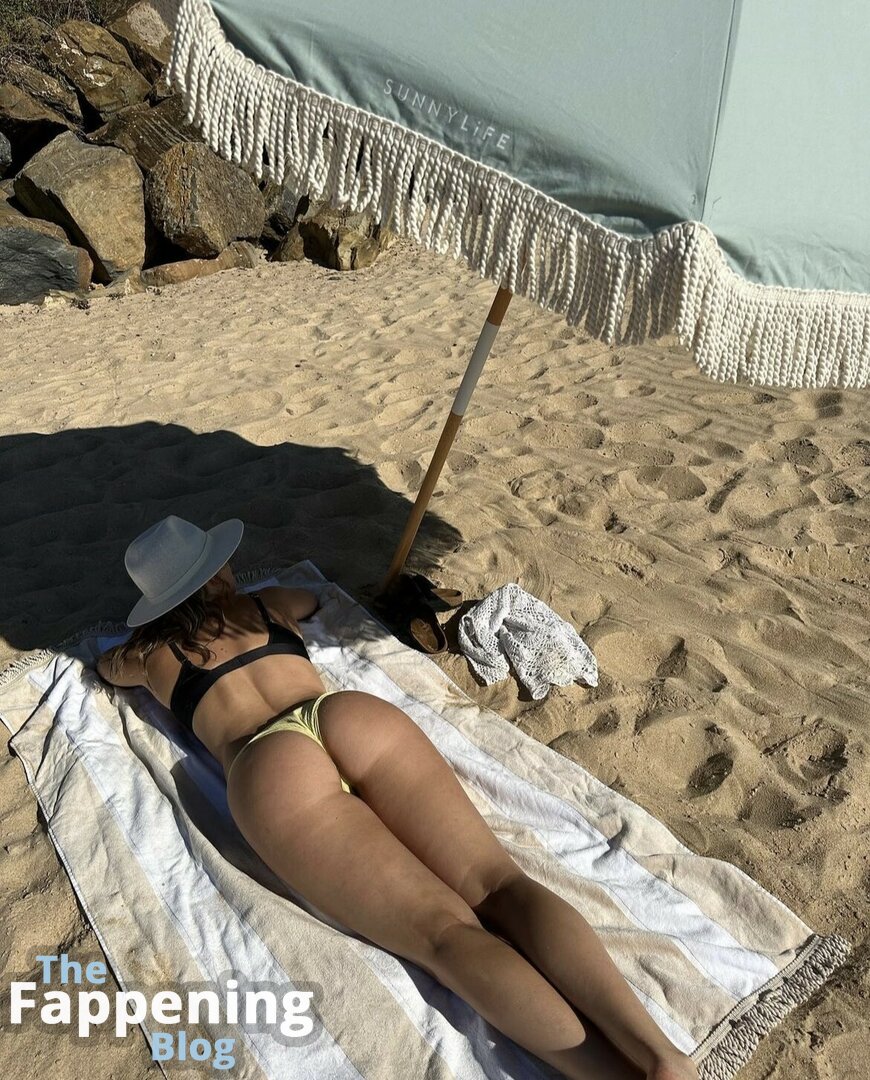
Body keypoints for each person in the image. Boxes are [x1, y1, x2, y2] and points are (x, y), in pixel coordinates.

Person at [97, 514, 699, 1080]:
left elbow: (106, 666)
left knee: (446, 937)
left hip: (268, 766)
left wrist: (153, 636)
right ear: (217, 571)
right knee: (501, 886)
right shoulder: (266, 604)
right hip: (344, 715)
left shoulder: (149, 659)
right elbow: (309, 601)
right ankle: (661, 1054)